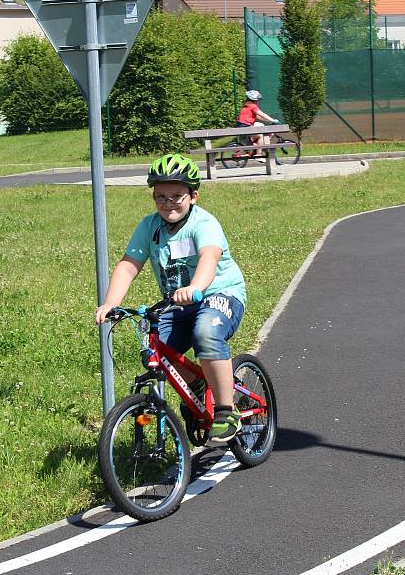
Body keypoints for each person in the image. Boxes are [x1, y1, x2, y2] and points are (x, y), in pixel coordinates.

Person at [94, 153, 246, 445]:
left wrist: (196, 287)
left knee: (206, 333)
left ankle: (227, 411)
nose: (168, 203)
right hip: (178, 303)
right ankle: (199, 384)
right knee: (153, 350)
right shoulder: (150, 226)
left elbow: (209, 257)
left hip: (219, 294)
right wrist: (110, 303)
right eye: (160, 197)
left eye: (176, 196)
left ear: (193, 196)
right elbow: (129, 265)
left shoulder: (204, 223)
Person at [237, 90, 279, 156]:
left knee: (258, 129)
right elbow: (262, 114)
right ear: (255, 99)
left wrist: (269, 121)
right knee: (260, 136)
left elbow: (257, 116)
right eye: (258, 100)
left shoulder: (246, 105)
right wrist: (273, 120)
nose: (258, 101)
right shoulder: (253, 106)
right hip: (246, 126)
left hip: (242, 126)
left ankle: (253, 148)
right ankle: (259, 154)